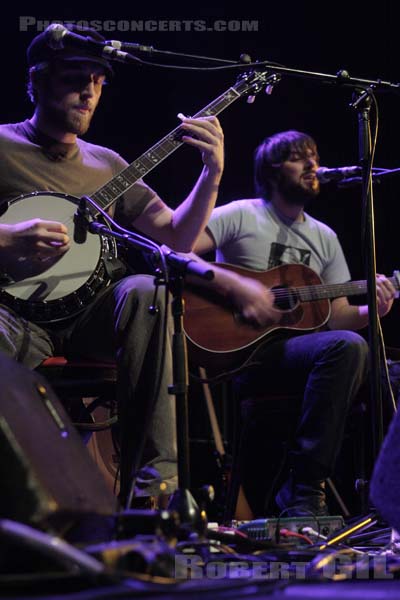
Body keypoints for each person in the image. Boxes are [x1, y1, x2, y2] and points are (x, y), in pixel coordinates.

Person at [0, 25, 224, 507]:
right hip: (13, 314)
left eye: (98, 81)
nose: (89, 92)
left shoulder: (108, 165)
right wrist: (5, 236)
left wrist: (211, 174)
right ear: (36, 81)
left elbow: (175, 236)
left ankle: (155, 493)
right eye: (76, 78)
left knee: (150, 290)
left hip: (90, 317)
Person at [191, 130, 396, 517]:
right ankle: (304, 491)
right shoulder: (241, 214)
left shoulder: (324, 236)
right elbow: (179, 250)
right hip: (244, 354)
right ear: (271, 170)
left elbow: (337, 317)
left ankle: (382, 501)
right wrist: (237, 290)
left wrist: (375, 310)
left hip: (303, 357)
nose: (312, 166)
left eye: (314, 156)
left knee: (384, 367)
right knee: (348, 348)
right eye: (299, 158)